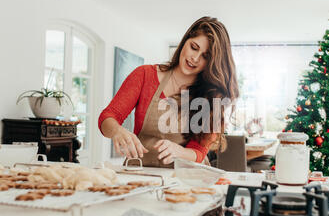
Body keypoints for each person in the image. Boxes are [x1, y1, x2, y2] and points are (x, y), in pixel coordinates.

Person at [98, 16, 239, 167]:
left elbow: (199, 151)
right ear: (185, 40)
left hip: (186, 178)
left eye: (205, 56)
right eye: (194, 47)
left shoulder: (211, 96)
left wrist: (178, 151)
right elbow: (108, 116)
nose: (195, 58)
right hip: (141, 173)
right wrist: (118, 131)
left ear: (212, 62)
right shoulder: (144, 75)